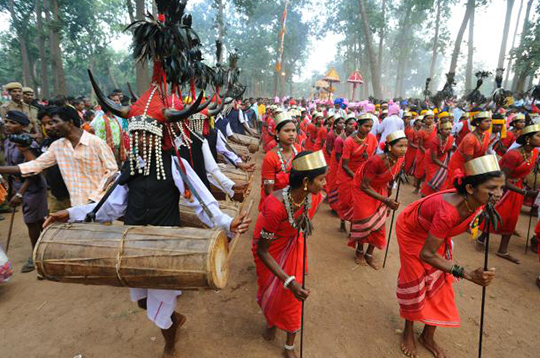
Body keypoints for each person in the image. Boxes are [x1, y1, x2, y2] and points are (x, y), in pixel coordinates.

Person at [45, 114, 251, 358]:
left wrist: (227, 222)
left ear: (157, 137)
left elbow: (200, 202)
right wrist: (70, 213)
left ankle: (170, 343)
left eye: (145, 134)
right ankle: (175, 320)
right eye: (135, 134)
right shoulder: (130, 166)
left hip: (165, 245)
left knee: (160, 303)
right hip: (132, 243)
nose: (139, 139)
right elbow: (111, 206)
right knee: (143, 301)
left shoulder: (175, 164)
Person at [396, 155, 503, 358]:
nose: (498, 195)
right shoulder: (448, 211)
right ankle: (408, 331)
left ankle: (427, 335)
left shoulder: (478, 201)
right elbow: (426, 254)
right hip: (412, 232)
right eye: (492, 189)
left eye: (500, 188)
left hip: (435, 234)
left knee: (441, 282)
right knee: (416, 280)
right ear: (470, 189)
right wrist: (468, 274)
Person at [253, 150, 327, 358]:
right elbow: (262, 249)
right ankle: (272, 320)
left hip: (293, 245)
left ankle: (289, 346)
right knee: (275, 290)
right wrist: (288, 281)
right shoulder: (275, 205)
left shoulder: (314, 197)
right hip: (270, 251)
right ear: (306, 181)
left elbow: (302, 221)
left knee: (293, 300)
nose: (324, 184)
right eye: (321, 179)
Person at [0, 106, 118, 206]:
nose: (51, 127)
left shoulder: (96, 143)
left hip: (98, 205)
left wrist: (95, 198)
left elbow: (112, 172)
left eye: (55, 122)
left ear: (70, 122)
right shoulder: (57, 146)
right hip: (75, 205)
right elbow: (35, 165)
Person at [476, 124, 540, 264]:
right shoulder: (513, 155)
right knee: (497, 212)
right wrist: (524, 192)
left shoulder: (534, 152)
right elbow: (502, 179)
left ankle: (502, 249)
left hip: (517, 188)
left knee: (512, 218)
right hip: (503, 188)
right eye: (538, 136)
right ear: (528, 138)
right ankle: (482, 238)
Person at [349, 130, 407, 268]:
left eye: (405, 146)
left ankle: (369, 254)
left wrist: (389, 196)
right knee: (366, 222)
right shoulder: (376, 161)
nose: (404, 149)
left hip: (380, 190)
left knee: (379, 223)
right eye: (400, 146)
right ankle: (359, 251)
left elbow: (392, 177)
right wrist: (385, 200)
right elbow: (364, 185)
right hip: (364, 190)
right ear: (389, 147)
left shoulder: (400, 159)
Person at [3, 111, 48, 273]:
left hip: (32, 186)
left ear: (23, 126)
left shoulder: (29, 144)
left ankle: (36, 254)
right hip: (17, 184)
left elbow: (34, 170)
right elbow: (11, 166)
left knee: (31, 220)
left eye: (12, 122)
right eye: (6, 121)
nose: (8, 125)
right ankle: (44, 247)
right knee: (36, 220)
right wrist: (11, 192)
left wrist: (20, 194)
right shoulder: (8, 141)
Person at [335, 114, 377, 231]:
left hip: (362, 173)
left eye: (370, 126)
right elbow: (344, 165)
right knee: (345, 202)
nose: (368, 129)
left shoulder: (372, 138)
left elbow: (372, 157)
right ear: (358, 125)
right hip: (347, 174)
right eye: (366, 126)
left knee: (358, 203)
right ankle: (342, 221)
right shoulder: (349, 141)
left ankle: (354, 227)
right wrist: (356, 177)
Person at [259, 113, 301, 210]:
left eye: (293, 131)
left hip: (295, 200)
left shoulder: (299, 150)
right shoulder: (270, 157)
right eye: (287, 131)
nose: (291, 134)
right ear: (277, 133)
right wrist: (286, 206)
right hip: (276, 202)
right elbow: (268, 191)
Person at [443, 111, 491, 189]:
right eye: (486, 121)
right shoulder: (470, 139)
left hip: (472, 163)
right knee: (456, 187)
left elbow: (483, 153)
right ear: (478, 123)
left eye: (490, 121)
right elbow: (469, 161)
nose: (489, 123)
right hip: (460, 164)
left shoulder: (486, 134)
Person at [328, 115, 356, 213]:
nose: (352, 126)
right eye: (350, 124)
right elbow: (338, 156)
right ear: (346, 126)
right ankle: (335, 207)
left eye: (354, 124)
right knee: (336, 184)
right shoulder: (339, 139)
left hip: (348, 164)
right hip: (339, 164)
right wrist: (345, 167)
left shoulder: (355, 138)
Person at [420, 122, 454, 197]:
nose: (449, 131)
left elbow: (448, 151)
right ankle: (425, 197)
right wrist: (445, 167)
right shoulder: (434, 141)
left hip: (442, 158)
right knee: (431, 178)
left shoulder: (451, 138)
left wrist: (448, 162)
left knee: (442, 179)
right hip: (431, 160)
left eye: (450, 129)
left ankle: (435, 197)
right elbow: (434, 158)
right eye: (446, 129)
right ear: (441, 130)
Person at [413, 111, 436, 194]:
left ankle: (425, 189)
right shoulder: (421, 132)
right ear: (424, 120)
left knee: (429, 172)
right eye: (428, 118)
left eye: (432, 118)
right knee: (420, 172)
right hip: (423, 153)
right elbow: (420, 145)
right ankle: (417, 187)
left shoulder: (436, 129)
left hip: (432, 153)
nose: (430, 120)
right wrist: (427, 153)